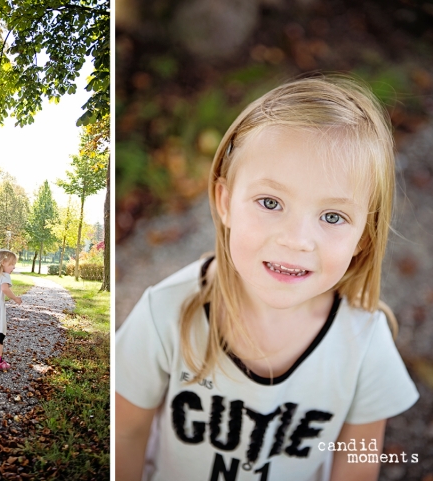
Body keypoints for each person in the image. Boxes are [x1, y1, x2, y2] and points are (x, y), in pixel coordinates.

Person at [115, 76, 419, 481]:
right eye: (271, 202)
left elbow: (357, 464)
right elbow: (127, 433)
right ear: (225, 202)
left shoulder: (364, 343)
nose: (296, 240)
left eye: (332, 216)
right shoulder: (165, 312)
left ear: (363, 236)